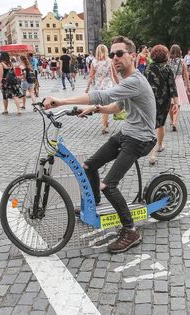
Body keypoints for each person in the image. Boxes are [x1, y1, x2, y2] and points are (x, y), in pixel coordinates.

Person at [43, 36, 157, 253]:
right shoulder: (128, 82)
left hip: (141, 139)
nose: (115, 58)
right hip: (127, 134)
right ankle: (93, 204)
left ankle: (131, 231)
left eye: (120, 54)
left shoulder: (135, 81)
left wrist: (62, 101)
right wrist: (95, 109)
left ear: (132, 56)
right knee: (88, 166)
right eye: (113, 54)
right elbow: (117, 107)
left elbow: (103, 95)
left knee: (108, 185)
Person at [145, 44, 178, 165]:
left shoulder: (148, 68)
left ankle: (152, 154)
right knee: (161, 124)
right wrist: (176, 102)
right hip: (164, 100)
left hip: (150, 100)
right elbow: (172, 87)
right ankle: (159, 145)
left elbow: (145, 85)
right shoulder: (167, 68)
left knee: (151, 125)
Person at [86, 44, 119, 135]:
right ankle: (104, 125)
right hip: (108, 85)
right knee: (106, 106)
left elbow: (91, 76)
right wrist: (119, 84)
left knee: (103, 105)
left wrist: (87, 87)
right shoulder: (110, 61)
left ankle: (105, 122)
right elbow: (115, 75)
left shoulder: (94, 62)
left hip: (98, 86)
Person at [167, 44, 190, 131]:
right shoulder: (182, 61)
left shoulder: (168, 61)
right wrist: (188, 86)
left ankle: (172, 120)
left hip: (170, 82)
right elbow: (186, 75)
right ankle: (175, 122)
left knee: (170, 104)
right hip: (179, 82)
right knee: (178, 103)